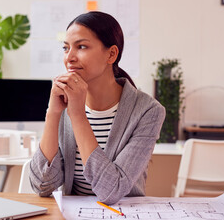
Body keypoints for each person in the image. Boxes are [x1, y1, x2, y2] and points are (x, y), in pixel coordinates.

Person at [29, 11, 165, 205]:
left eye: (81, 46)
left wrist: (77, 115)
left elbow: (111, 191)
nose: (70, 57)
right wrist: (53, 113)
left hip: (123, 214)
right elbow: (42, 185)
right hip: (73, 215)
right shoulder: (64, 100)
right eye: (66, 48)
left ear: (111, 54)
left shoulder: (148, 111)